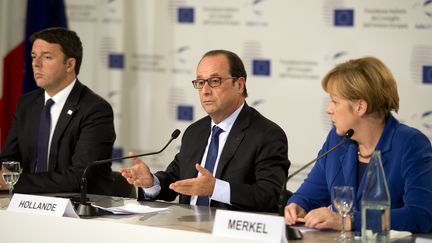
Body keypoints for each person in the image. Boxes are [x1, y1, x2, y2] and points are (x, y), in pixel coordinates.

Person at [121, 50, 290, 213]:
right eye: (200, 82)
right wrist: (152, 183)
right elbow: (175, 181)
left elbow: (271, 195)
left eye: (215, 81)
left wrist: (216, 189)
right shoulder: (195, 132)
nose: (205, 90)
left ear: (239, 85)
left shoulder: (266, 135)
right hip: (187, 230)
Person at [285, 56, 432, 233]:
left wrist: (348, 221)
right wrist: (297, 206)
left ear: (360, 107)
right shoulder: (337, 141)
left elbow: (420, 216)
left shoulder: (410, 144)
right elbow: (309, 196)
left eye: (335, 101)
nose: (329, 109)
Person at [0, 27, 116, 195]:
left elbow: (81, 176)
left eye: (46, 57)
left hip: (78, 210)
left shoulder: (95, 110)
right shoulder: (27, 104)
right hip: (27, 204)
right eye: (33, 56)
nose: (36, 63)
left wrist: (11, 182)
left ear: (69, 64)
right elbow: (9, 162)